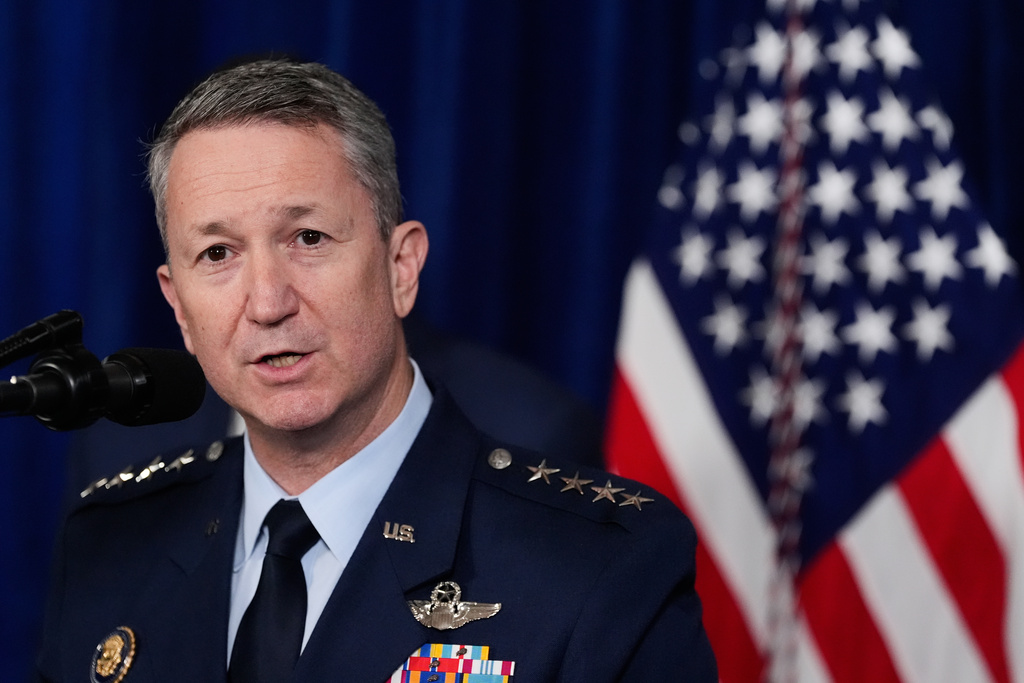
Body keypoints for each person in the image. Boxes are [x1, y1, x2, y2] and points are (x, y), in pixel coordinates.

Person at [35, 59, 717, 682]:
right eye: (218, 253)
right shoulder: (107, 549)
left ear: (401, 268)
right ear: (178, 306)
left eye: (308, 238)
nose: (267, 302)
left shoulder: (600, 566)